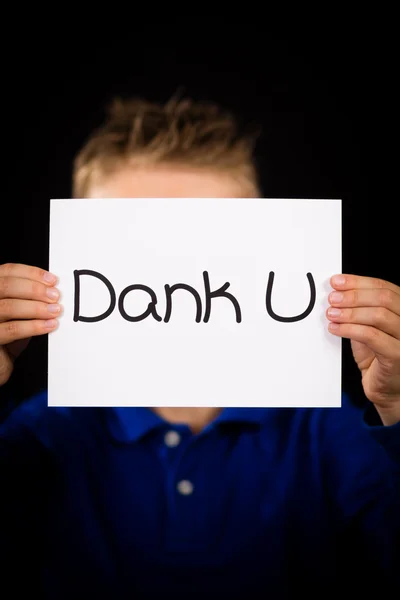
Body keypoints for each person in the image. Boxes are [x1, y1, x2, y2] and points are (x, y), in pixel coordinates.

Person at [0, 96, 399, 599]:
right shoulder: (41, 434)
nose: (172, 267)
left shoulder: (327, 427)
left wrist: (397, 405)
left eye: (209, 239)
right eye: (134, 242)